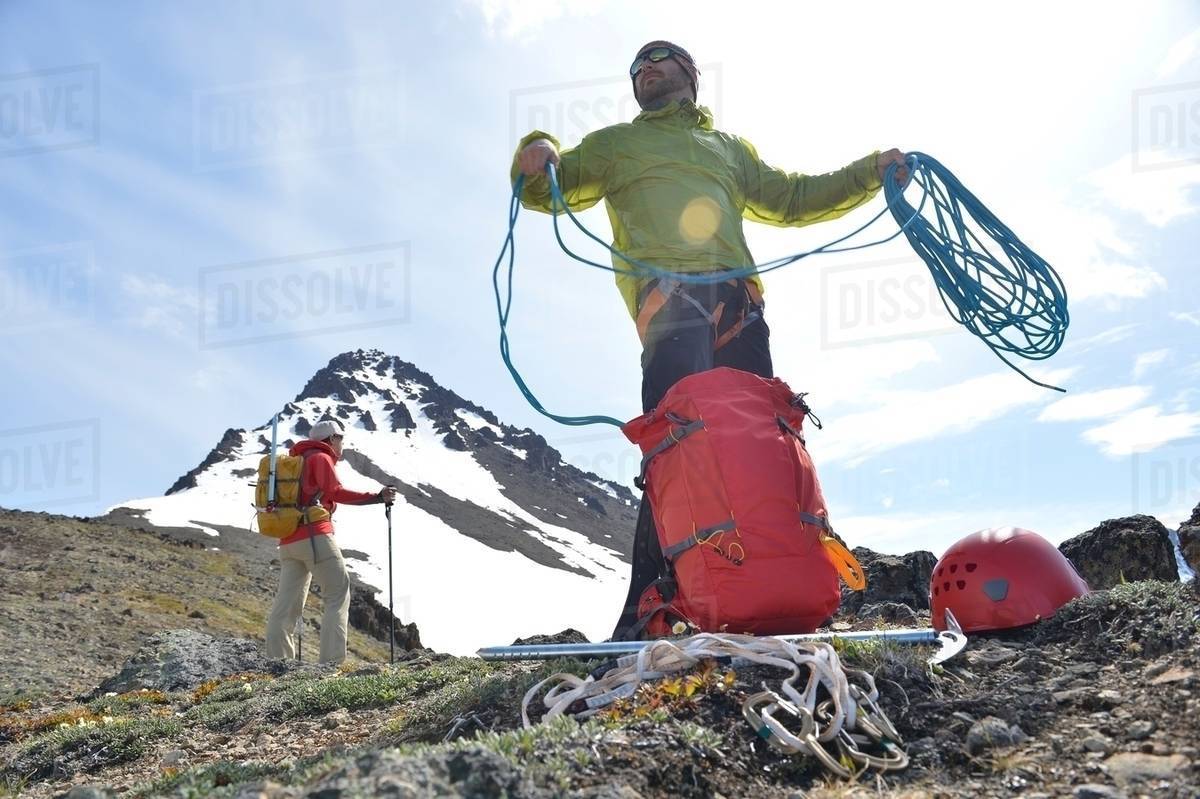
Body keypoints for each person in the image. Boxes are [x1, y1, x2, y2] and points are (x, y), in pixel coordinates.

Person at [511, 41, 909, 639]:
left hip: (738, 306)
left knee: (763, 446)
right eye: (637, 65)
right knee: (677, 449)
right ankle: (649, 611)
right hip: (669, 302)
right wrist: (535, 151)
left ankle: (771, 590)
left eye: (660, 58)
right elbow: (547, 188)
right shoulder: (615, 144)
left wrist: (870, 172)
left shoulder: (729, 150)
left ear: (692, 76)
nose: (646, 67)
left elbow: (793, 197)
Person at [265, 419, 397, 663]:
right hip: (315, 536)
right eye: (340, 438)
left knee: (286, 606)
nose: (342, 443)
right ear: (331, 439)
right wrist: (377, 497)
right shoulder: (320, 457)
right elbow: (335, 492)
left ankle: (278, 665)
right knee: (337, 594)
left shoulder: (296, 460)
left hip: (288, 540)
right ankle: (331, 666)